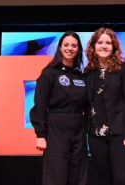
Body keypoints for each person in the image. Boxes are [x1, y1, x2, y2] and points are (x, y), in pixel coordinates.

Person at [30, 31, 90, 185]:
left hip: (78, 132)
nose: (70, 48)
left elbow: (88, 106)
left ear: (78, 49)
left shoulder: (81, 77)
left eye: (74, 45)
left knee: (78, 175)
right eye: (66, 45)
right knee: (56, 175)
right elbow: (40, 104)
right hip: (56, 131)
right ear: (60, 48)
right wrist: (41, 134)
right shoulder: (49, 74)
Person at [84, 28, 125, 185]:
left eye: (108, 43)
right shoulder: (88, 72)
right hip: (95, 135)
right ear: (93, 47)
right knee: (104, 179)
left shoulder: (124, 68)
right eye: (100, 42)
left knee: (122, 179)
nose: (104, 46)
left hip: (120, 135)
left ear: (114, 47)